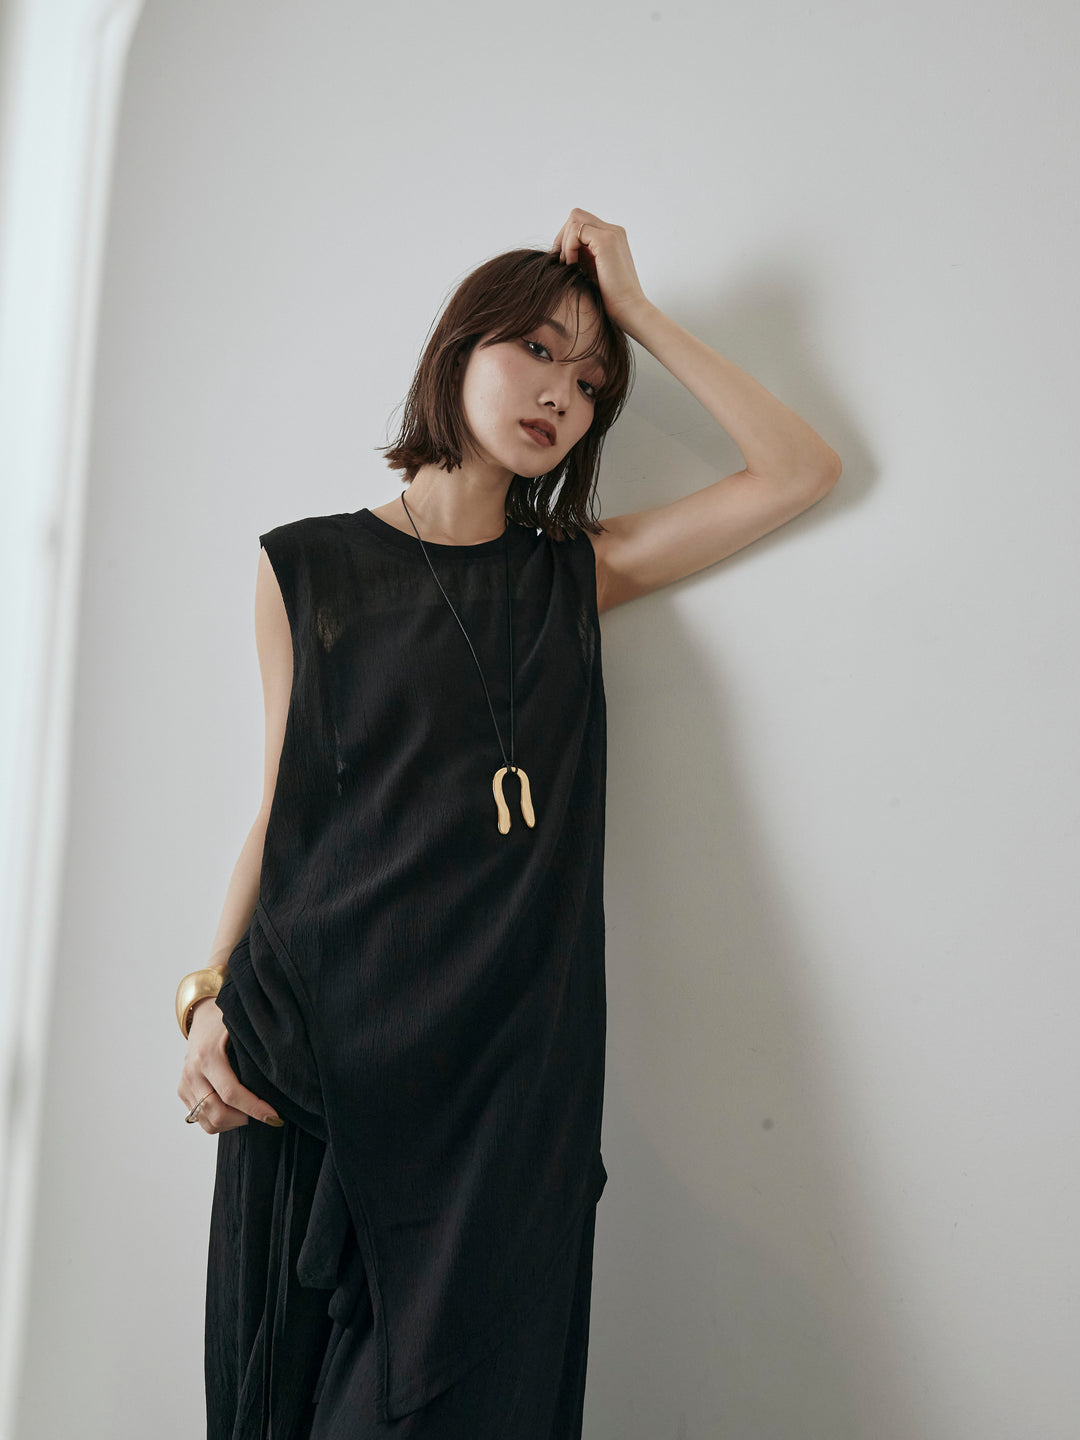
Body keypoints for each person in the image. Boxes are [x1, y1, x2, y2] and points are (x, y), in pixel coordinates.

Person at [175, 208, 842, 1439]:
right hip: (311, 1063)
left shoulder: (572, 575)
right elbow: (280, 806)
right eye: (536, 349)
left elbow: (799, 471)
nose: (560, 395)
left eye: (590, 384)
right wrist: (208, 994)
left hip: (503, 1109)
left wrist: (636, 312)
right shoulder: (305, 570)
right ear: (459, 348)